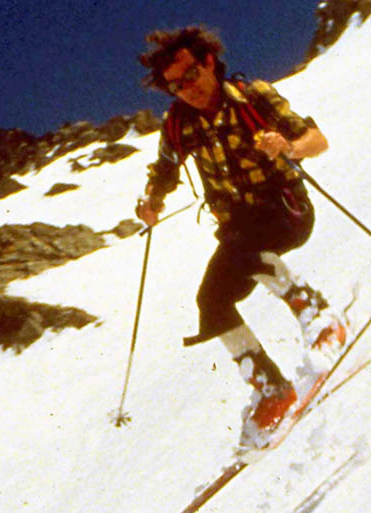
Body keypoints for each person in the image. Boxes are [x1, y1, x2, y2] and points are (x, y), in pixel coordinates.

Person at [135, 26, 345, 449]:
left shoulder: (253, 97)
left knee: (246, 247)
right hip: (239, 228)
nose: (187, 89)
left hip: (286, 211)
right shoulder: (178, 124)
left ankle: (319, 317)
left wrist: (288, 146)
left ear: (209, 63)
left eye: (191, 75)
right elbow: (164, 170)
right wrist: (151, 201)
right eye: (176, 86)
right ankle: (271, 387)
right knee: (211, 301)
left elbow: (316, 140)